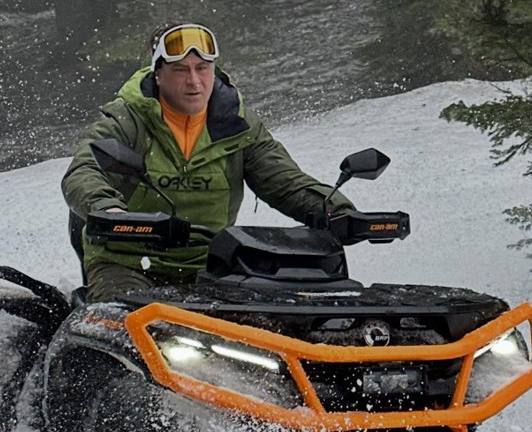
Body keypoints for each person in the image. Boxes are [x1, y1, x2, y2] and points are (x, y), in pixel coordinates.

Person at [62, 23, 355, 301]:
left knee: (267, 330)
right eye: (180, 70)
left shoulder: (238, 125)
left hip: (214, 267)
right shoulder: (126, 119)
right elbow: (83, 171)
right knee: (126, 326)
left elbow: (283, 180)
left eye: (202, 69)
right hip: (127, 263)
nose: (194, 81)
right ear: (158, 75)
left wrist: (336, 211)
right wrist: (109, 210)